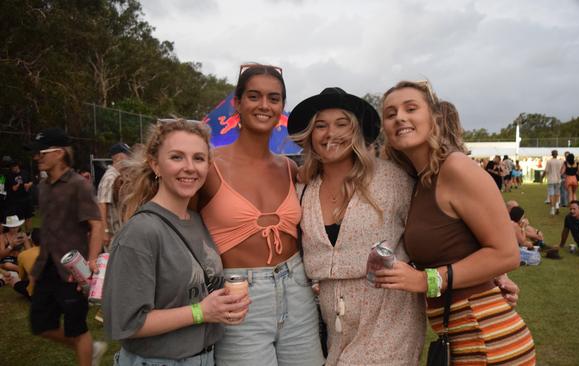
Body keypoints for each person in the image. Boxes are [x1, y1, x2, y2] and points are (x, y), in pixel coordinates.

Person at [376, 81, 534, 365]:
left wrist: (426, 280)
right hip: (461, 339)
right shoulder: (419, 179)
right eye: (390, 113)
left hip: (489, 340)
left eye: (411, 108)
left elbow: (507, 253)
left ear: (434, 118)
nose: (399, 116)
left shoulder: (456, 168)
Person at [196, 64, 324, 366]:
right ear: (237, 103)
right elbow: (179, 229)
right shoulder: (210, 167)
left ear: (281, 107)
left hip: (297, 290)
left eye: (274, 98)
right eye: (254, 96)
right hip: (238, 297)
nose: (264, 105)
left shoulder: (289, 169)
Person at [288, 87, 426, 365]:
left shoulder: (393, 180)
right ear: (310, 136)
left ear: (357, 131)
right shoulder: (303, 188)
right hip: (334, 327)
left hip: (389, 319)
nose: (330, 134)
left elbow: (433, 233)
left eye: (342, 124)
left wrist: (492, 277)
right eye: (321, 126)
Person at [103, 119, 249, 365]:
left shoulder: (196, 220)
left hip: (205, 357)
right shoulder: (141, 232)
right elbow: (125, 323)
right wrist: (201, 312)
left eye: (199, 158)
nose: (190, 167)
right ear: (155, 165)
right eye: (177, 157)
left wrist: (223, 300)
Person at [25, 128, 106, 366]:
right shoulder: (43, 187)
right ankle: (91, 349)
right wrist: (36, 269)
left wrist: (91, 262)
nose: (37, 157)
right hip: (47, 268)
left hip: (72, 272)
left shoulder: (78, 185)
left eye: (41, 153)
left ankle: (86, 350)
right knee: (40, 326)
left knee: (77, 330)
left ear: (59, 153)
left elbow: (96, 225)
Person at [96, 142, 131, 251]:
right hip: (112, 234)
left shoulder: (118, 175)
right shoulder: (110, 177)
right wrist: (105, 231)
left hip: (119, 231)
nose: (130, 160)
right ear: (120, 157)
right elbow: (101, 204)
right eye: (128, 156)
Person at [5, 159, 34, 233]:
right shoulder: (8, 175)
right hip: (16, 201)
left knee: (28, 217)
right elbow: (6, 188)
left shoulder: (25, 172)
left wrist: (28, 185)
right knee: (17, 219)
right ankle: (18, 235)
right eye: (11, 167)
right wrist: (13, 188)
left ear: (17, 166)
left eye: (14, 166)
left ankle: (28, 235)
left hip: (27, 198)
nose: (13, 168)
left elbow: (31, 181)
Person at [541, 150, 563, 215]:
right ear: (557, 154)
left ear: (552, 154)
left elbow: (546, 170)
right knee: (557, 194)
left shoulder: (549, 161)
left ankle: (552, 209)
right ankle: (557, 205)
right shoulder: (560, 162)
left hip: (551, 180)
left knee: (551, 194)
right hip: (558, 179)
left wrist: (542, 177)